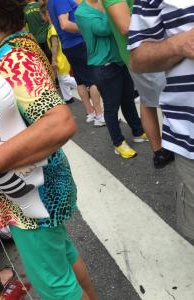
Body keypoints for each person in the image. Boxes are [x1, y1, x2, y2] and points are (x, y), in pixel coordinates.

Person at [0, 0, 97, 299]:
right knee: (63, 258)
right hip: (34, 189)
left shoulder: (10, 60)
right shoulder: (14, 51)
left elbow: (59, 122)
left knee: (54, 286)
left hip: (29, 194)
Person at [128, 1, 194, 241]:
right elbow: (137, 57)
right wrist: (178, 44)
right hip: (190, 136)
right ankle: (159, 150)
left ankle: (159, 151)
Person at [101, 0, 174, 167]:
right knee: (162, 101)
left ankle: (163, 150)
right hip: (144, 54)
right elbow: (125, 26)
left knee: (150, 100)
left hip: (147, 51)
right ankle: (162, 151)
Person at [75, 0, 146, 158]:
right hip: (103, 65)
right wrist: (113, 8)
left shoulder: (104, 3)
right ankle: (118, 143)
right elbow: (104, 29)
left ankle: (138, 131)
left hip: (119, 59)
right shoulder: (81, 12)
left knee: (128, 100)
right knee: (112, 106)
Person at [47, 0, 104, 124]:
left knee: (80, 80)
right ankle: (99, 116)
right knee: (93, 79)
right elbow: (65, 24)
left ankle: (91, 113)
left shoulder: (51, 2)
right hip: (78, 43)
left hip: (69, 45)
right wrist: (86, 28)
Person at [40, 4, 80, 107]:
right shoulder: (52, 27)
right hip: (61, 56)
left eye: (41, 14)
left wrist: (53, 60)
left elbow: (55, 45)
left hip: (59, 57)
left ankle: (84, 86)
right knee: (61, 78)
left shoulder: (52, 29)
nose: (41, 17)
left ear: (47, 14)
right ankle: (68, 97)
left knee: (64, 78)